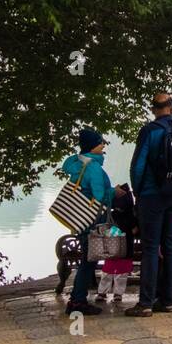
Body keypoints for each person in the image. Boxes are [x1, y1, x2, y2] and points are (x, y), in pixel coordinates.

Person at [126, 92, 172, 317]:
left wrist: (138, 193)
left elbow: (138, 165)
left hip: (152, 195)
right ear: (171, 107)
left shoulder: (150, 131)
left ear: (153, 109)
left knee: (150, 247)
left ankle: (146, 302)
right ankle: (168, 300)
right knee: (170, 245)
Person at [61, 127, 116, 316]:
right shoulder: (93, 167)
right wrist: (115, 192)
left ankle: (77, 298)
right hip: (93, 219)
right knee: (88, 261)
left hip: (81, 218)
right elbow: (100, 196)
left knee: (87, 259)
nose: (102, 145)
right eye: (100, 142)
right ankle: (77, 301)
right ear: (92, 146)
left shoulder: (77, 163)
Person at [96, 184, 136, 304]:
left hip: (112, 250)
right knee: (121, 273)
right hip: (124, 250)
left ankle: (102, 292)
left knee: (107, 272)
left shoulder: (111, 215)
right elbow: (134, 230)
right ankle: (117, 294)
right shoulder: (132, 216)